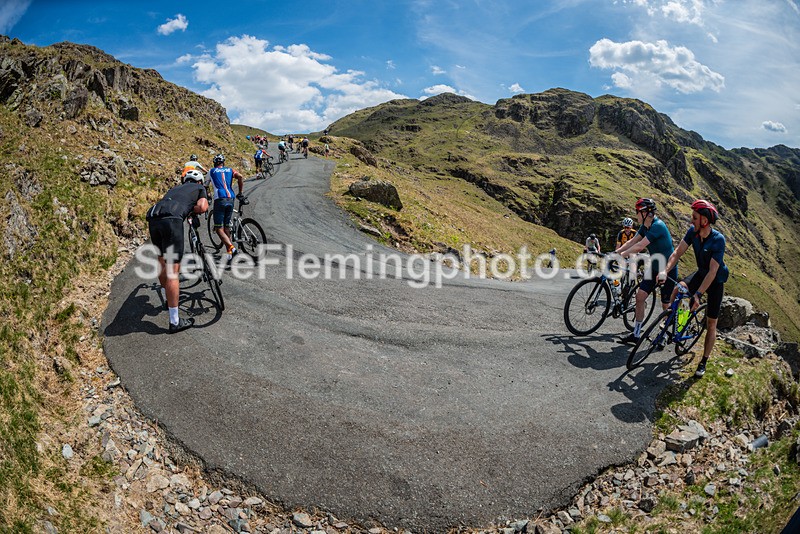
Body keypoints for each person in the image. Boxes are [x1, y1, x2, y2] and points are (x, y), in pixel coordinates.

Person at [657, 199, 728, 377]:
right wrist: (665, 271)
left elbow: (712, 272)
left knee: (711, 323)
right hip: (701, 273)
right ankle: (674, 323)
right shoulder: (693, 232)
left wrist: (697, 295)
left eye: (695, 218)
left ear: (704, 221)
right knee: (678, 289)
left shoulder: (718, 240)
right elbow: (677, 253)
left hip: (715, 281)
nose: (691, 221)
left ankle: (703, 361)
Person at [146, 169, 209, 333]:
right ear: (200, 182)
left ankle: (169, 299)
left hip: (153, 217)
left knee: (161, 261)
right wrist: (191, 210)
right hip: (172, 220)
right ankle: (174, 321)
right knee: (173, 271)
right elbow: (202, 207)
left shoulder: (173, 189)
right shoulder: (200, 188)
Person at [615, 198, 678, 344]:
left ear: (645, 212)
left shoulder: (658, 226)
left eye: (637, 211)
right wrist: (616, 252)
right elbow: (632, 241)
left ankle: (664, 334)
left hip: (667, 269)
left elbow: (640, 247)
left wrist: (620, 256)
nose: (636, 214)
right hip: (654, 267)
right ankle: (636, 334)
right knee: (640, 297)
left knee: (665, 304)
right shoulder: (645, 226)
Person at [207, 154, 244, 259]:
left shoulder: (211, 171)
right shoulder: (230, 170)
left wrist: (208, 197)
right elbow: (240, 176)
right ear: (223, 162)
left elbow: (205, 186)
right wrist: (240, 192)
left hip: (220, 199)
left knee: (219, 228)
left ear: (214, 163)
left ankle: (232, 248)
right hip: (231, 198)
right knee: (227, 226)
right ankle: (229, 252)